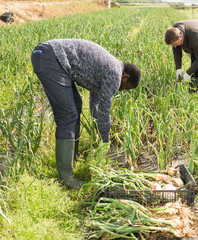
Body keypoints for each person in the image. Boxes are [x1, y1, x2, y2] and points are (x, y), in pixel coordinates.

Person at [31, 39, 141, 188]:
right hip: (51, 58)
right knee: (68, 116)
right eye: (125, 88)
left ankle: (73, 159)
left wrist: (98, 131)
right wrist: (105, 140)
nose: (121, 90)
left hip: (52, 57)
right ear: (125, 77)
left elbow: (95, 105)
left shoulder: (111, 69)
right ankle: (66, 177)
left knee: (76, 107)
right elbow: (104, 111)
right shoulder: (115, 75)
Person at [164, 19, 198, 101]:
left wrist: (187, 73)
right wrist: (178, 69)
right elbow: (177, 52)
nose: (175, 46)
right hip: (195, 43)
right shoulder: (174, 32)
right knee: (194, 67)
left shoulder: (195, 35)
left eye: (175, 44)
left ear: (180, 37)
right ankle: (193, 91)